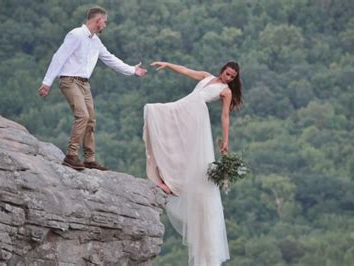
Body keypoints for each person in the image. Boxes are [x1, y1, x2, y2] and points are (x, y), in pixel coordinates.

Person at [143, 61, 243, 265]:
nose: (228, 78)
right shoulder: (206, 76)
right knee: (154, 112)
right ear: (222, 69)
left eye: (232, 77)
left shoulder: (225, 91)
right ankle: (167, 178)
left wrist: (225, 140)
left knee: (188, 152)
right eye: (227, 73)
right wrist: (168, 65)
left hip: (196, 117)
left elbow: (225, 116)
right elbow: (187, 71)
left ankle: (173, 184)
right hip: (184, 108)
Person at [38, 6, 147, 171]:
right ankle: (71, 156)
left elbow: (110, 59)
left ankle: (89, 159)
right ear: (98, 20)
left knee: (90, 120)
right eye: (105, 21)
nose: (106, 25)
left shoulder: (96, 41)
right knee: (82, 115)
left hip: (84, 83)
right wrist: (47, 82)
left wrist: (132, 70)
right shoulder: (76, 35)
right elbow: (59, 56)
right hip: (69, 80)